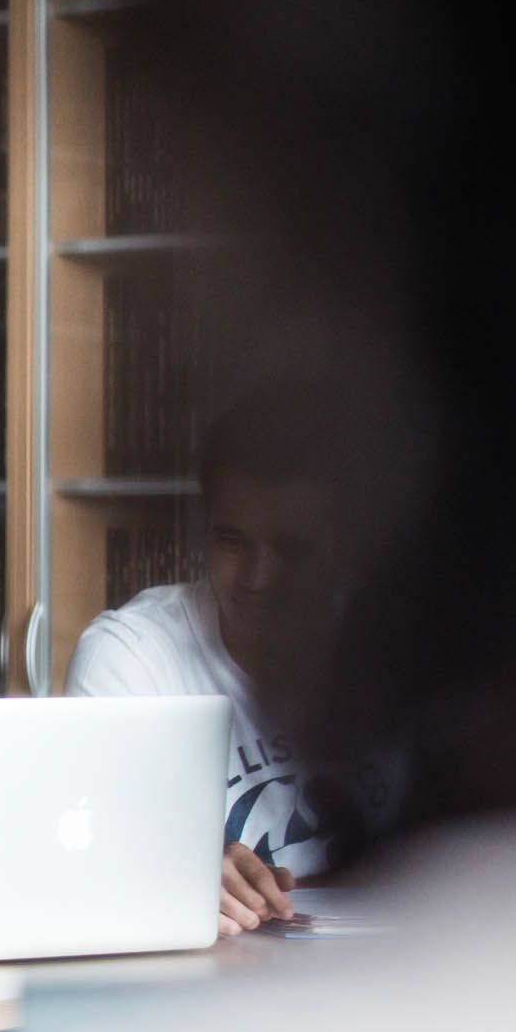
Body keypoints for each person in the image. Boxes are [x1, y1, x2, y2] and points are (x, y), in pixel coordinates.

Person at [65, 387, 400, 925]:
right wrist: (166, 873)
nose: (256, 578)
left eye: (291, 550)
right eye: (230, 541)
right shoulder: (132, 653)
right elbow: (85, 865)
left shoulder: (397, 647)